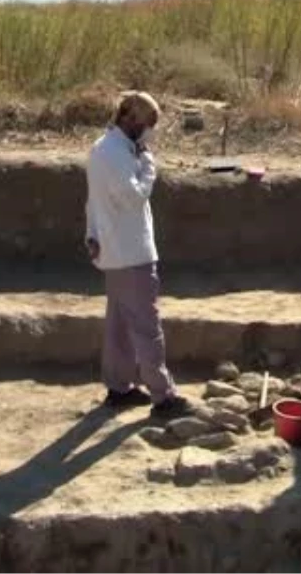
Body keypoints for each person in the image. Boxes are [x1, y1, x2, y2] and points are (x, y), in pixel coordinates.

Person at [85, 91, 191, 420]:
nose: (151, 131)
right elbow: (133, 197)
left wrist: (92, 234)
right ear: (130, 119)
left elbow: (93, 201)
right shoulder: (117, 154)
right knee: (147, 326)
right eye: (148, 124)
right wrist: (148, 169)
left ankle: (118, 388)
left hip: (116, 251)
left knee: (118, 324)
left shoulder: (105, 149)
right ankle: (164, 396)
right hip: (132, 254)